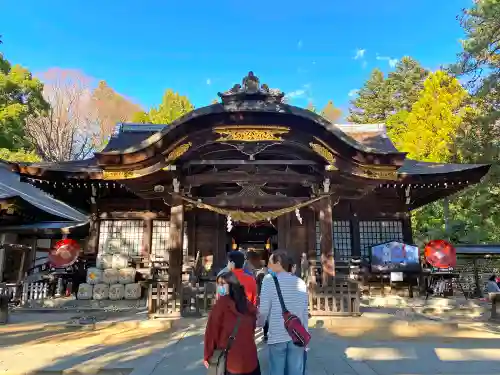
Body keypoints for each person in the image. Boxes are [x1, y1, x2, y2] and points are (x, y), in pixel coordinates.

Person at [258, 249, 309, 375]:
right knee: (295, 371)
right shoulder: (301, 282)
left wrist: (259, 323)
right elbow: (303, 312)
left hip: (277, 334)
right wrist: (305, 335)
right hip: (297, 334)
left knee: (276, 371)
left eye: (270, 262)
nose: (268, 266)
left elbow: (264, 309)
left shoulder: (268, 280)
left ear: (279, 262)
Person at [204, 271, 261, 375]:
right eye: (218, 284)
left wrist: (208, 355)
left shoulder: (221, 305)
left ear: (231, 285)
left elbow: (211, 333)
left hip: (231, 362)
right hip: (251, 360)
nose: (219, 287)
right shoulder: (246, 303)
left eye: (222, 284)